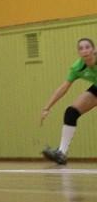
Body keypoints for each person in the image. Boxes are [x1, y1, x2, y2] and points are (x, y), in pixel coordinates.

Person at [40, 37, 97, 165]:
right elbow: (63, 88)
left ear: (94, 50)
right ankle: (62, 153)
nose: (84, 51)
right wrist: (47, 107)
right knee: (71, 112)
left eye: (87, 47)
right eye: (81, 48)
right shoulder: (77, 67)